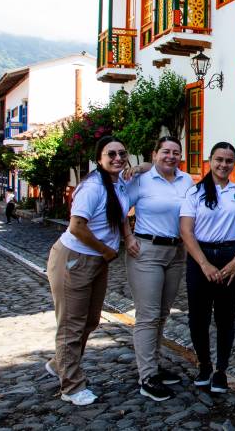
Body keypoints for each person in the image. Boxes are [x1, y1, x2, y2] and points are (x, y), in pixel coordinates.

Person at [45, 136, 132, 406]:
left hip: (97, 261)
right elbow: (77, 227)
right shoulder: (93, 187)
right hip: (76, 258)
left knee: (91, 320)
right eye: (111, 154)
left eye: (122, 153)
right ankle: (71, 386)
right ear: (99, 158)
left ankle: (60, 363)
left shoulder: (119, 184)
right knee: (71, 325)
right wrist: (106, 250)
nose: (117, 158)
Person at [180, 142, 235, 393]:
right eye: (219, 159)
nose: (223, 165)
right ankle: (204, 364)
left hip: (229, 255)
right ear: (209, 160)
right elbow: (186, 230)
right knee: (199, 316)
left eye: (229, 160)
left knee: (225, 316)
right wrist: (203, 264)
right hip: (201, 256)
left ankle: (221, 370)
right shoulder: (194, 193)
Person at [125, 136, 194, 401]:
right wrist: (128, 237)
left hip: (177, 252)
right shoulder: (141, 180)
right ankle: (147, 377)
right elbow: (122, 209)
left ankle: (153, 366)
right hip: (147, 251)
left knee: (163, 313)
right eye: (165, 151)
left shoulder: (185, 180)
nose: (171, 156)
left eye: (176, 152)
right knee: (148, 315)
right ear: (155, 154)